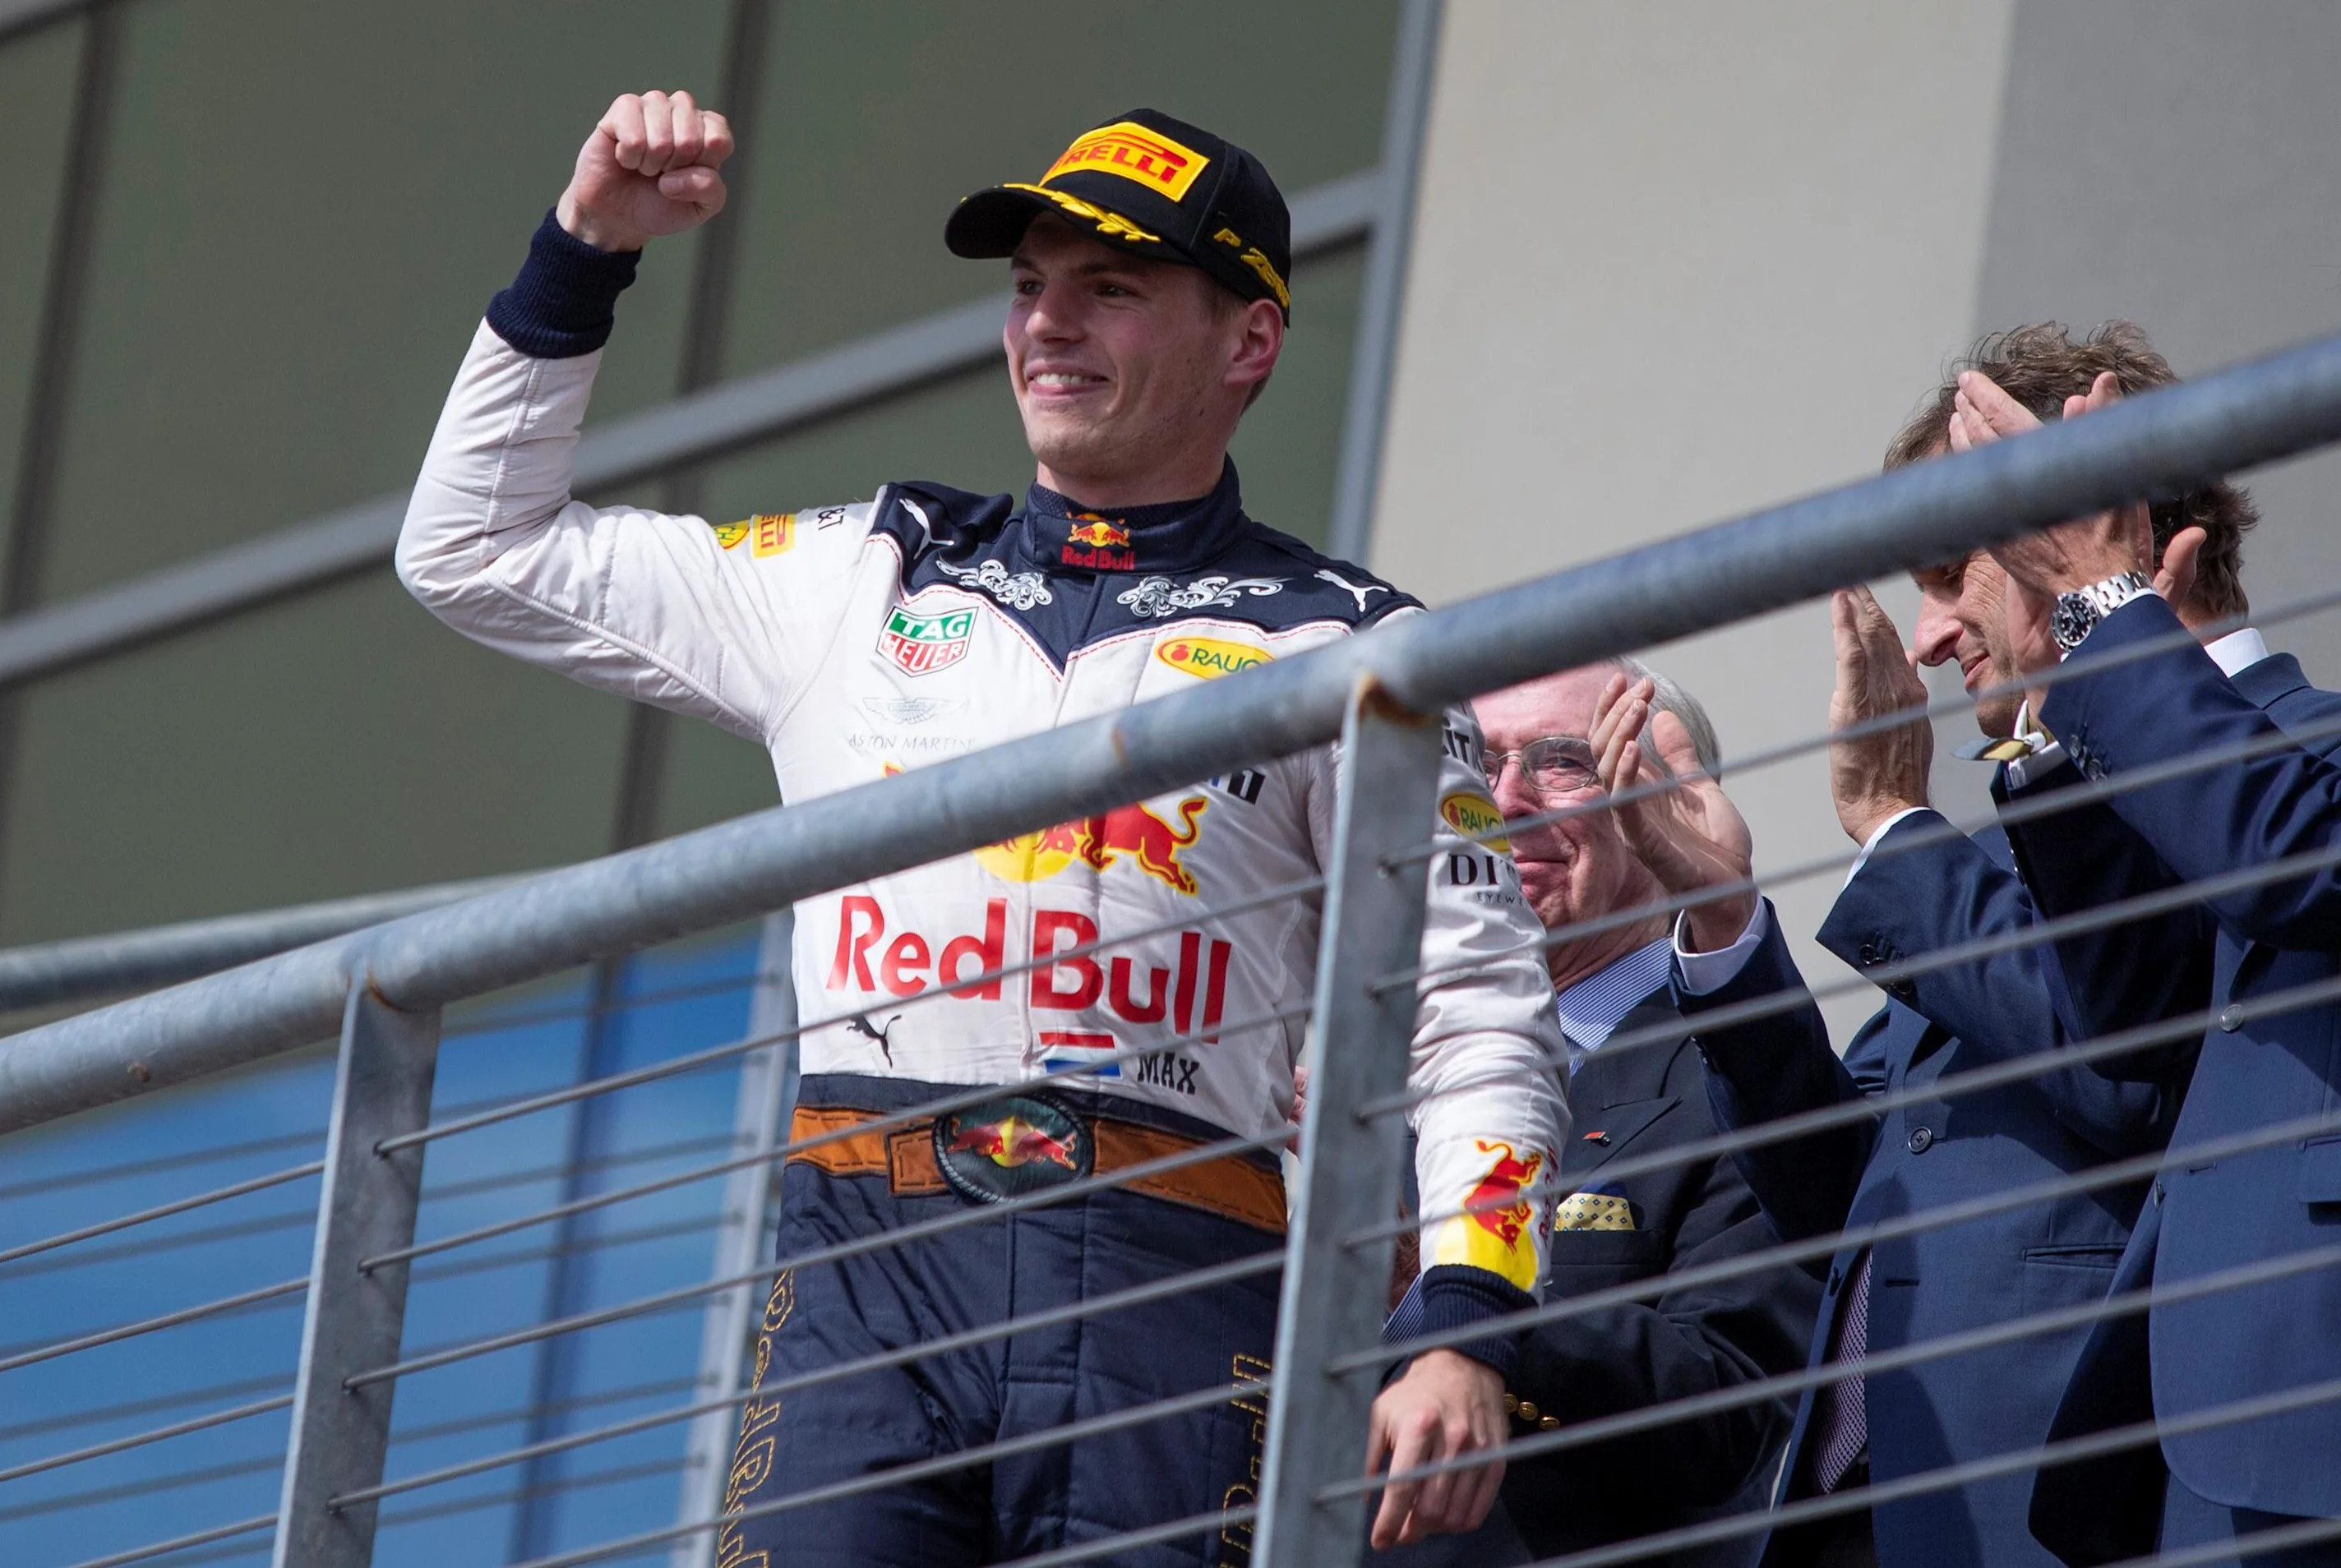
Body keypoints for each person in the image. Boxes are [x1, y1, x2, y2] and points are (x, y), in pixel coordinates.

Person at [395, 91, 1568, 1566]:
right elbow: (472, 549)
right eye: (1027, 287)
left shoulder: (1353, 641)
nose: (1047, 326)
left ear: (1249, 342)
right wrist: (584, 251)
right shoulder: (863, 572)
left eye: (1112, 288)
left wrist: (1468, 1315)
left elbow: (1472, 1009)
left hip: (1177, 1275)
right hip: (862, 1262)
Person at [1677, 325, 2219, 1568]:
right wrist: (1722, 927)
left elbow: (2121, 1067)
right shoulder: (1989, 857)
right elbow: (1840, 1194)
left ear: (2083, 520)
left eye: (1947, 574)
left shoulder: (2239, 780)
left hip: (2041, 1499)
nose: (1923, 642)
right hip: (1866, 1508)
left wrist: (1893, 829)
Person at [1942, 362, 2341, 1566]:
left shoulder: (2307, 746)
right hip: (2189, 1445)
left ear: (2146, 555)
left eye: (1986, 566)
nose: (1925, 640)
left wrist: (2104, 614)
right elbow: (2134, 1047)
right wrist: (2056, 744)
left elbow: (2291, 854)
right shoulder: (2130, 772)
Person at [1361, 662, 1819, 1566]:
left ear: (1675, 811)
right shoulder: (1360, 1062)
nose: (1503, 803)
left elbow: (1725, 1414)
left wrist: (1459, 1291)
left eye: (1561, 762)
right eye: (1476, 766)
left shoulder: (1750, 1083)